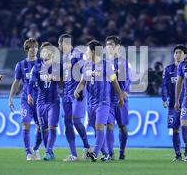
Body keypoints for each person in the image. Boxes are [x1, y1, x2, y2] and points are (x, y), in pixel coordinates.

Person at [74, 40, 124, 162]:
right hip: (91, 103)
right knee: (97, 129)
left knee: (99, 125)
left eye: (87, 50)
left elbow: (114, 82)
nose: (85, 52)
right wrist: (77, 90)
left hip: (104, 102)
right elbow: (83, 82)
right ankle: (105, 154)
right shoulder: (86, 65)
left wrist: (120, 97)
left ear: (93, 51)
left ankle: (95, 154)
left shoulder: (106, 65)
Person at [58, 34, 92, 162]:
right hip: (66, 95)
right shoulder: (65, 57)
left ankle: (87, 148)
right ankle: (74, 154)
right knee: (67, 123)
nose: (58, 47)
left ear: (63, 43)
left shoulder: (78, 54)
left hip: (77, 94)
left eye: (59, 44)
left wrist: (81, 89)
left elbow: (87, 71)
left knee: (76, 121)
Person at [9, 38, 42, 161]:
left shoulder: (42, 64)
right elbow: (16, 82)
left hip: (40, 100)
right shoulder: (21, 65)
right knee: (25, 123)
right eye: (32, 47)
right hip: (25, 100)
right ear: (27, 49)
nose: (34, 49)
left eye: (36, 47)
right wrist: (11, 97)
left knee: (41, 127)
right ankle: (28, 152)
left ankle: (36, 148)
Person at [28, 42, 61, 161]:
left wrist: (57, 77)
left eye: (46, 51)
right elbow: (31, 82)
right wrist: (29, 94)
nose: (44, 53)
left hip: (53, 101)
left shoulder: (57, 66)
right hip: (40, 102)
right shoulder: (36, 67)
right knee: (44, 128)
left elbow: (65, 79)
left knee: (52, 127)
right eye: (42, 52)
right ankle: (49, 151)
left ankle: (48, 151)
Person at [105, 36, 131, 161]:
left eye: (111, 44)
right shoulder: (103, 63)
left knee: (122, 126)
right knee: (109, 124)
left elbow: (128, 79)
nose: (109, 46)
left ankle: (122, 151)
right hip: (107, 99)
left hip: (120, 98)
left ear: (117, 47)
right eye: (107, 44)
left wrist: (125, 92)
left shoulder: (122, 62)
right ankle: (110, 153)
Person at [161, 44, 187, 161]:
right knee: (175, 129)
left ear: (185, 55)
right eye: (176, 53)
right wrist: (164, 98)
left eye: (180, 53)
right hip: (173, 104)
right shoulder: (168, 69)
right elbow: (164, 85)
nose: (177, 55)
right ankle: (178, 154)